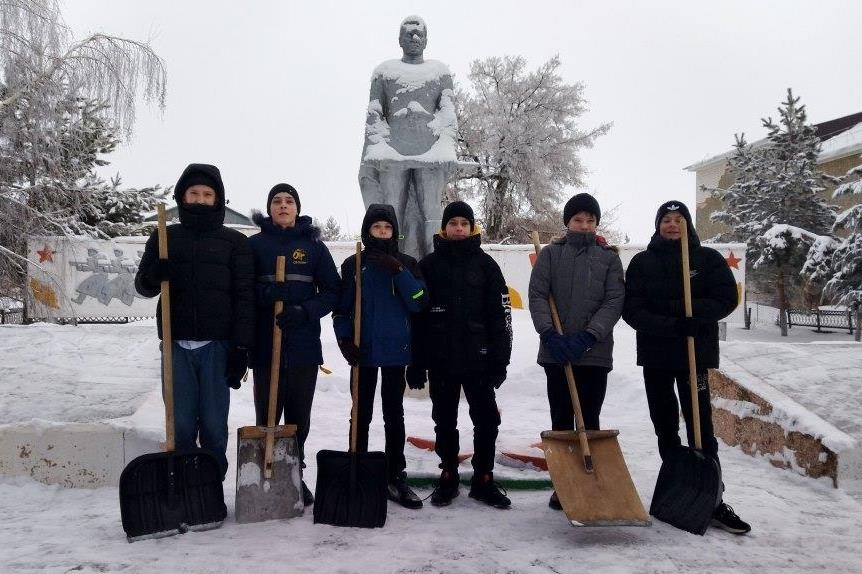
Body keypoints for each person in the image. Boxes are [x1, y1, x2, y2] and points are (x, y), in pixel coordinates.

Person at [622, 200, 751, 535]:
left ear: (688, 224)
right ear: (658, 224)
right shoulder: (642, 262)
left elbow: (726, 299)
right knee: (665, 423)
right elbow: (633, 310)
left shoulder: (706, 259)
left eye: (679, 219)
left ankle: (713, 498)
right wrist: (674, 322)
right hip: (657, 356)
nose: (672, 225)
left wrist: (692, 314)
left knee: (700, 426)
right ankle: (679, 489)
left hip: (696, 355)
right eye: (666, 219)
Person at [135, 163, 254, 479]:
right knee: (181, 422)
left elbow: (245, 299)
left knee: (215, 424)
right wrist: (154, 275)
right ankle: (184, 485)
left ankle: (211, 484)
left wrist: (241, 348)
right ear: (182, 197)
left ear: (218, 199)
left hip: (217, 346)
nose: (200, 199)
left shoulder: (235, 242)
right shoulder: (164, 237)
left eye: (207, 194)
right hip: (176, 345)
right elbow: (143, 287)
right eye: (194, 193)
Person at [407, 201, 513, 508]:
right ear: (444, 228)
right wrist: (416, 363)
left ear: (472, 228)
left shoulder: (486, 265)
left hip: (479, 358)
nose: (458, 228)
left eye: (464, 223)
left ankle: (483, 479)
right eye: (453, 223)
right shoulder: (428, 266)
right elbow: (418, 319)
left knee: (487, 421)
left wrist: (500, 359)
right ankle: (449, 476)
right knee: (444, 420)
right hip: (441, 360)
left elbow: (500, 316)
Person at [528, 193, 625, 510]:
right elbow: (539, 295)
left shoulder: (609, 258)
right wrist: (549, 334)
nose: (584, 225)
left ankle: (592, 482)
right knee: (561, 418)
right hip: (556, 352)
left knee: (590, 416)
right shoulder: (551, 256)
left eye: (590, 220)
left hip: (594, 353)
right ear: (567, 222)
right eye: (578, 220)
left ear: (596, 223)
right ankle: (564, 484)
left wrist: (588, 336)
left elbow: (614, 302)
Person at [248, 183, 340, 506]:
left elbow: (333, 292)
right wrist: (264, 294)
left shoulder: (314, 247)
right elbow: (242, 290)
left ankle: (294, 474)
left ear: (297, 209)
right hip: (265, 346)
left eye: (289, 201)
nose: (283, 205)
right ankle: (265, 474)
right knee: (268, 416)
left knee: (299, 418)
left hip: (302, 347)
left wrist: (304, 311)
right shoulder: (255, 245)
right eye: (277, 201)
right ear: (269, 208)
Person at [333, 204, 427, 509]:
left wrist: (397, 271)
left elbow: (418, 302)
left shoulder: (408, 263)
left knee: (393, 415)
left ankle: (394, 475)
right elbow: (343, 309)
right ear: (367, 231)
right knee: (360, 413)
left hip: (396, 354)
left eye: (387, 228)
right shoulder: (353, 264)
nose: (382, 233)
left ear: (394, 232)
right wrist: (345, 339)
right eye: (377, 228)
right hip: (364, 353)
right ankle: (356, 468)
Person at [358, 15, 457, 259]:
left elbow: (448, 114)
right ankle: (393, 260)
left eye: (418, 33)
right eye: (409, 33)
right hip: (394, 152)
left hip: (430, 152)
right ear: (399, 39)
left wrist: (446, 147)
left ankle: (434, 263)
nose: (414, 37)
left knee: (432, 214)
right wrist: (377, 148)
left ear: (426, 39)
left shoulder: (440, 72)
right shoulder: (384, 73)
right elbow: (375, 113)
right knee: (392, 214)